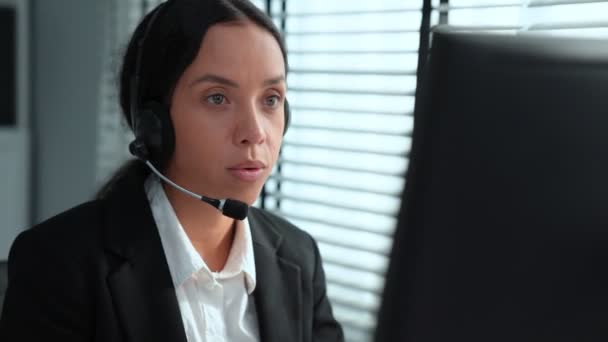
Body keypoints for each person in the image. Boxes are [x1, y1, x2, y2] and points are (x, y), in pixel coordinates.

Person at [0, 0, 344, 341]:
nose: (255, 132)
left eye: (270, 99)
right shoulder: (58, 264)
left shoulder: (299, 258)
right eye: (217, 98)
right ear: (153, 124)